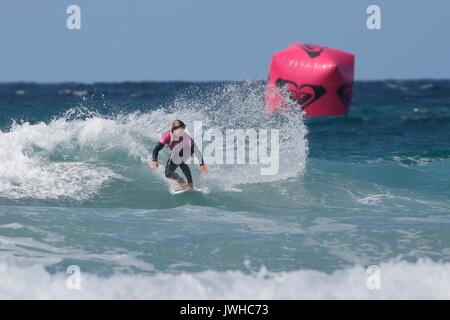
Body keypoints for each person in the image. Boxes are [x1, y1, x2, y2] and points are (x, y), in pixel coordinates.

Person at [151, 120, 208, 190]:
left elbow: (196, 150)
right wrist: (154, 160)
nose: (182, 133)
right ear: (174, 130)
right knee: (168, 173)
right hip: (176, 150)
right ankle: (181, 181)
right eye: (180, 131)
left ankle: (190, 183)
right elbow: (156, 149)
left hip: (188, 149)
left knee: (180, 161)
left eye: (183, 130)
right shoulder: (167, 136)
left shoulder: (186, 137)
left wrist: (201, 164)